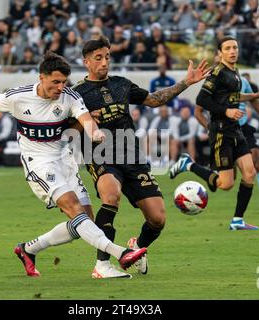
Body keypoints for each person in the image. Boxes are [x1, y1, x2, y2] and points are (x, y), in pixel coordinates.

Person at [0, 52, 146, 277]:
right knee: (74, 209)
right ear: (42, 77)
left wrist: (95, 131)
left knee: (85, 222)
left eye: (63, 82)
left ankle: (28, 249)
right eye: (55, 81)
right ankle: (121, 253)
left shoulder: (69, 97)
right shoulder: (19, 97)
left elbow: (85, 119)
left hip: (65, 160)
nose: (60, 87)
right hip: (39, 162)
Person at [73, 36, 210, 278]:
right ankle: (102, 265)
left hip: (132, 155)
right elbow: (65, 130)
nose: (104, 62)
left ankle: (137, 247)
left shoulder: (122, 84)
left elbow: (154, 100)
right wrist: (81, 121)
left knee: (158, 218)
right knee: (111, 195)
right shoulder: (77, 94)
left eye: (107, 57)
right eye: (98, 58)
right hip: (100, 154)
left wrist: (186, 82)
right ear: (86, 62)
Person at [170, 36, 259, 230]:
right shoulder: (217, 73)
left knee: (249, 173)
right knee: (225, 184)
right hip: (221, 133)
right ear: (220, 53)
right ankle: (188, 164)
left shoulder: (235, 72)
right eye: (228, 48)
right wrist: (226, 111)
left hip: (235, 130)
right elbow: (202, 100)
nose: (232, 51)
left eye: (235, 47)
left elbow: (232, 96)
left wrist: (255, 96)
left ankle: (237, 220)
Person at [194, 75, 259, 216]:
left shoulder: (243, 81)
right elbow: (198, 110)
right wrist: (209, 127)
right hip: (224, 131)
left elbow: (253, 99)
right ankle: (201, 170)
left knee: (256, 161)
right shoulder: (213, 82)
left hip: (242, 129)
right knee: (228, 183)